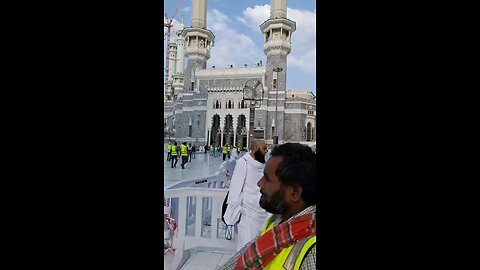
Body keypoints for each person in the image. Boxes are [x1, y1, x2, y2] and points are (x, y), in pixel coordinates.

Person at [216, 143, 316, 270]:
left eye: (267, 179)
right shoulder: (277, 223)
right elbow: (239, 260)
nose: (259, 183)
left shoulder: (311, 252)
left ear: (294, 193)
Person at [223, 140, 270, 252]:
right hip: (248, 215)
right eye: (264, 148)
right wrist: (232, 216)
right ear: (256, 149)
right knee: (247, 248)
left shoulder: (265, 164)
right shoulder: (243, 163)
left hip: (263, 212)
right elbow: (235, 189)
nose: (266, 151)